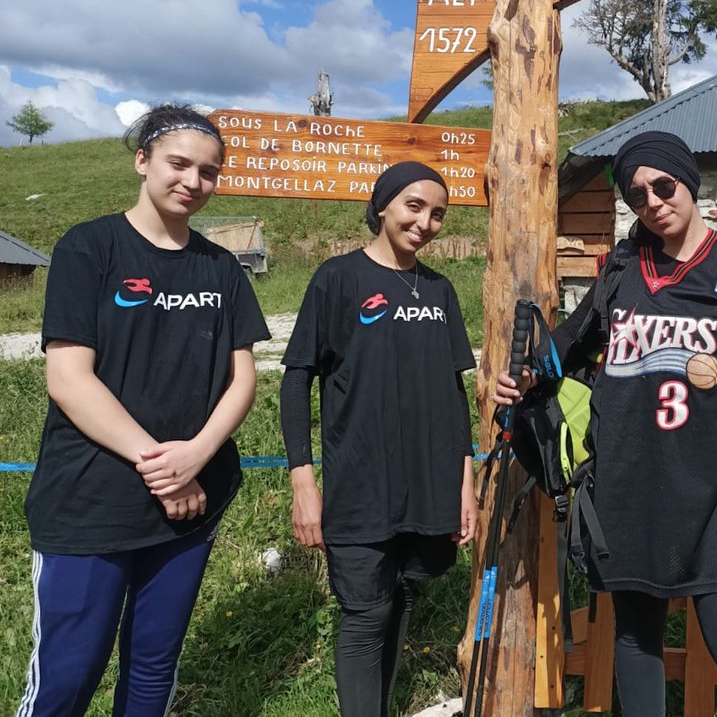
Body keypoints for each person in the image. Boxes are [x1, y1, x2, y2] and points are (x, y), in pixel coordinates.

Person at [495, 131, 717, 717]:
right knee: (635, 636)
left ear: (688, 182)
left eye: (663, 186)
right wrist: (522, 376)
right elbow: (566, 346)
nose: (653, 202)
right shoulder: (621, 270)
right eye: (637, 195)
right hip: (628, 482)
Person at [17, 104, 269, 717]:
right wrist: (164, 468)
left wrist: (197, 456)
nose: (193, 181)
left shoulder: (222, 268)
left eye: (208, 172)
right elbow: (69, 379)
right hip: (91, 501)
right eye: (178, 164)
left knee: (154, 667)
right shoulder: (89, 247)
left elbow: (242, 380)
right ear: (142, 161)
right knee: (68, 674)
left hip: (192, 504)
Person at [280, 161, 478, 717]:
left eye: (437, 213)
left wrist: (465, 483)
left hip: (430, 482)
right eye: (414, 206)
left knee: (405, 594)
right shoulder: (337, 278)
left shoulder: (439, 290)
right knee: (366, 613)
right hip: (360, 483)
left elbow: (454, 394)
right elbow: (296, 379)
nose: (425, 222)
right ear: (382, 205)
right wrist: (303, 482)